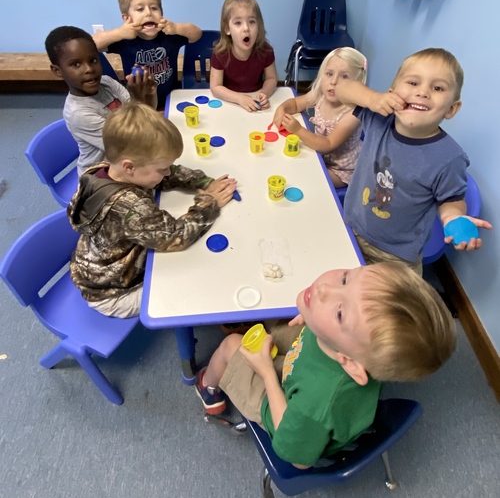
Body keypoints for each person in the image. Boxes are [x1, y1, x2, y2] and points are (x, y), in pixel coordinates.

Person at [195, 262, 457, 468]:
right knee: (276, 313)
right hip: (307, 361)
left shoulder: (317, 406)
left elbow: (297, 458)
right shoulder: (358, 350)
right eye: (345, 278)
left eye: (340, 313)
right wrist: (314, 316)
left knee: (231, 345)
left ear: (350, 362)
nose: (324, 289)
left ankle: (209, 389)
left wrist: (266, 372)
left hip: (285, 414)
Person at [67, 102, 236, 318]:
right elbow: (176, 236)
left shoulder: (105, 170)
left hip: (98, 269)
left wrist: (201, 181)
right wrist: (209, 202)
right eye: (162, 169)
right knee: (190, 286)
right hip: (112, 294)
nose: (167, 172)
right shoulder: (131, 207)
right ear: (129, 167)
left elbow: (164, 175)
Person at [335, 48, 492, 275]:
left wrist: (454, 219)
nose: (422, 92)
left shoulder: (449, 158)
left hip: (395, 257)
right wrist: (373, 99)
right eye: (413, 83)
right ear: (392, 93)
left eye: (438, 88)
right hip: (351, 227)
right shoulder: (378, 119)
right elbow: (342, 89)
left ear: (451, 108)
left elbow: (451, 200)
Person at [47, 25, 157, 177]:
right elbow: (131, 143)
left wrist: (149, 93)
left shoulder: (107, 82)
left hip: (126, 162)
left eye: (93, 60)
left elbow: (147, 116)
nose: (89, 69)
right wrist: (137, 98)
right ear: (57, 71)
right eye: (76, 64)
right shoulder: (78, 113)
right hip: (101, 177)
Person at [93, 0, 202, 110]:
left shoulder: (170, 36)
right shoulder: (125, 40)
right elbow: (92, 45)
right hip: (138, 103)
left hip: (168, 100)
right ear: (127, 18)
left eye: (154, 8)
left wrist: (177, 28)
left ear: (162, 13)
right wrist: (119, 33)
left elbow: (197, 34)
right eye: (140, 9)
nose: (149, 13)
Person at [273, 47, 367, 188]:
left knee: (309, 180)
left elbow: (328, 144)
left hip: (342, 170)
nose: (334, 81)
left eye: (344, 76)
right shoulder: (320, 94)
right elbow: (296, 104)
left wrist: (298, 130)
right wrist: (282, 109)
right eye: (329, 74)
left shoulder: (352, 114)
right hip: (320, 155)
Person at [210, 0, 278, 112]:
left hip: (255, 103)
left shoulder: (265, 51)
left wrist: (264, 93)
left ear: (259, 25)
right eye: (238, 23)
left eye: (252, 22)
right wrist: (240, 99)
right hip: (229, 105)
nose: (246, 28)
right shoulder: (220, 53)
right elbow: (215, 87)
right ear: (227, 29)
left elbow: (272, 78)